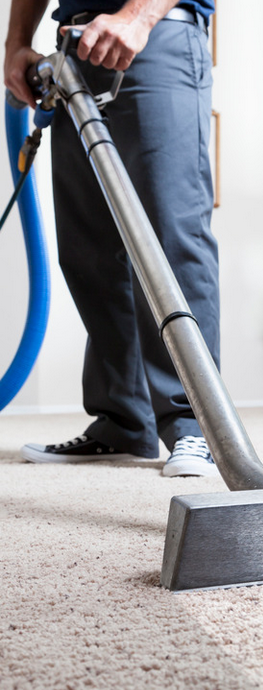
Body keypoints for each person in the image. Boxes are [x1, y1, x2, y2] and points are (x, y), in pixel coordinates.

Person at [4, 0, 220, 477]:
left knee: (169, 236)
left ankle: (197, 427)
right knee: (88, 248)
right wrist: (15, 43)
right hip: (71, 53)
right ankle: (122, 421)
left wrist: (138, 16)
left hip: (153, 36)